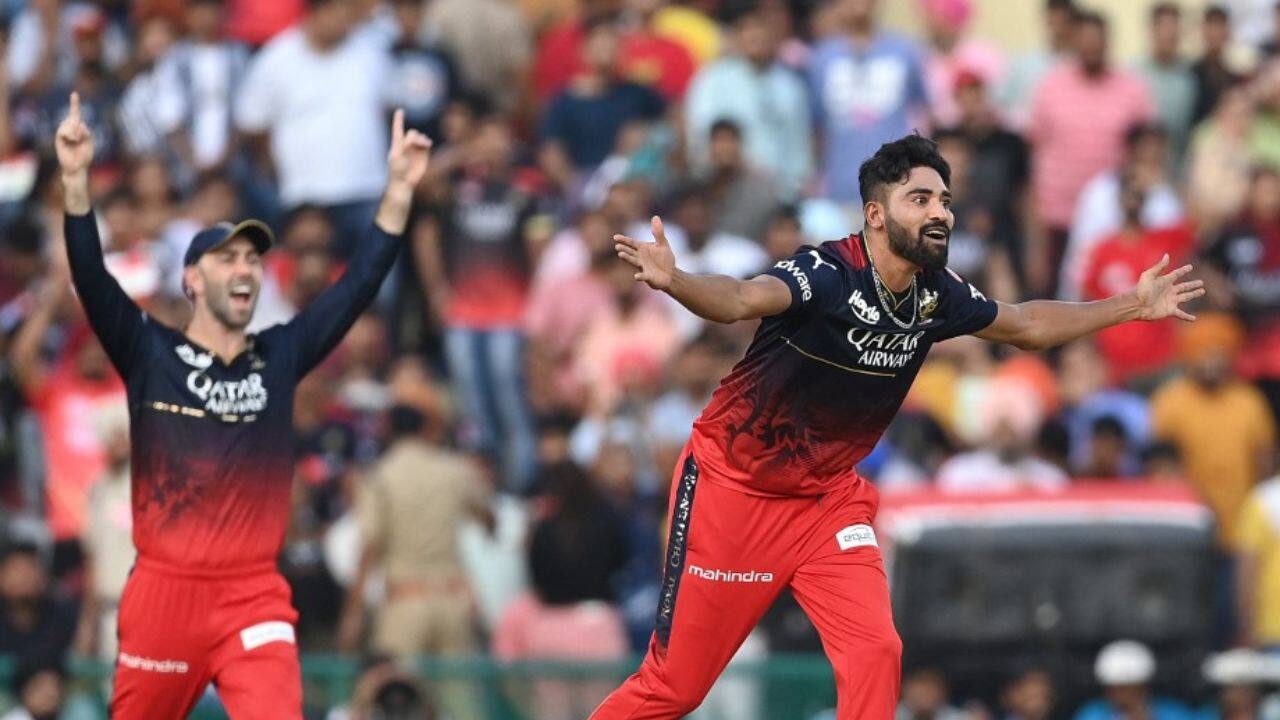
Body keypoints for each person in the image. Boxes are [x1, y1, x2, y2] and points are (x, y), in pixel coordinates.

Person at [593, 135, 1204, 718]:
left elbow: (1025, 325)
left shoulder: (936, 294)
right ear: (876, 215)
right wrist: (677, 281)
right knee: (677, 687)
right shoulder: (827, 273)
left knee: (876, 650)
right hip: (735, 492)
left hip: (827, 501)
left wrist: (1132, 304)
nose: (941, 213)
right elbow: (740, 299)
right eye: (921, 199)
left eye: (945, 201)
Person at [54, 91, 431, 719]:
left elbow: (357, 287)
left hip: (253, 593)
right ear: (192, 279)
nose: (245, 269)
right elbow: (91, 277)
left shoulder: (279, 355)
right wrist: (74, 181)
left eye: (253, 259)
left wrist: (397, 191)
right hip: (165, 593)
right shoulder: (149, 352)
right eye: (226, 258)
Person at [1073, 640, 1196, 720]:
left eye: (1127, 688)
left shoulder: (1174, 714)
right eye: (1113, 688)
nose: (1119, 695)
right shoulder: (1091, 714)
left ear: (1143, 686)